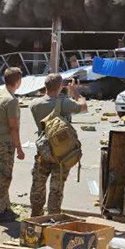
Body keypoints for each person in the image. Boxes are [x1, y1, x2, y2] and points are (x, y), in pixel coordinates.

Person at [29, 74, 88, 217]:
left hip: (43, 151)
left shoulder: (35, 104)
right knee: (56, 188)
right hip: (62, 154)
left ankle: (36, 215)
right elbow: (84, 107)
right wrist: (74, 92)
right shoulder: (65, 103)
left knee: (38, 184)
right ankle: (53, 217)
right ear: (61, 86)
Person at [0, 67, 24, 223]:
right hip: (4, 143)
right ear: (18, 81)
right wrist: (19, 148)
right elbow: (13, 127)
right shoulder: (11, 100)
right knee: (2, 177)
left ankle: (5, 207)